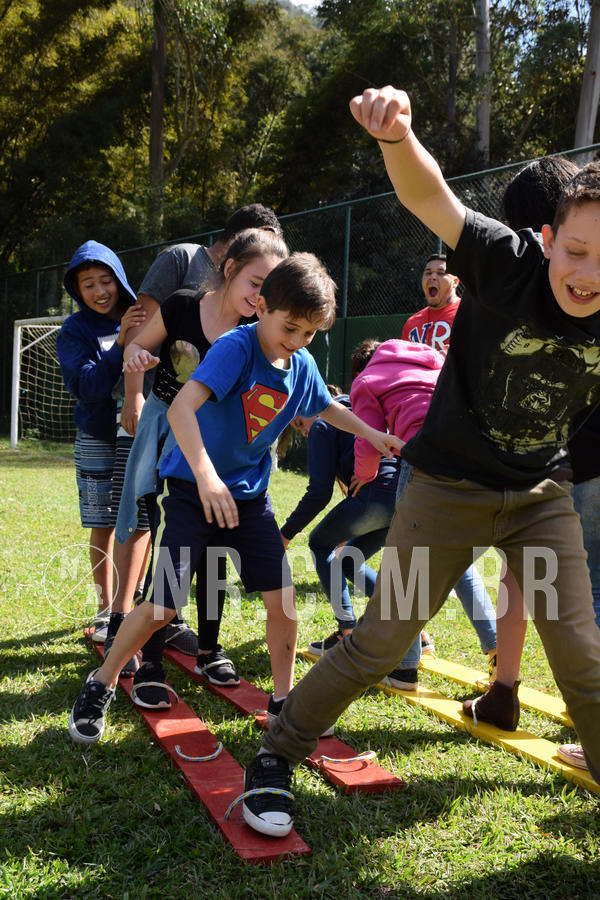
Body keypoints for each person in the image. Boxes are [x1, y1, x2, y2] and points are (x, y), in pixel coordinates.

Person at [240, 85, 600, 839]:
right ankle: (276, 756)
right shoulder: (507, 264)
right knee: (380, 639)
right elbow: (431, 196)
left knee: (581, 660)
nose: (588, 274)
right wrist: (397, 138)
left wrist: (570, 468)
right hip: (444, 489)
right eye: (576, 250)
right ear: (546, 236)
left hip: (537, 498)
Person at [67, 252, 404, 746]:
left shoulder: (300, 362)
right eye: (289, 327)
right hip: (190, 490)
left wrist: (371, 433)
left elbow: (324, 405)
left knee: (283, 601)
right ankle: (100, 684)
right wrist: (205, 478)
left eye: (309, 333)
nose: (296, 341)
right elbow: (182, 410)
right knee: (162, 604)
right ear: (262, 307)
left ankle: (284, 702)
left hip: (248, 499)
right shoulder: (234, 348)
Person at [108, 229, 289, 704]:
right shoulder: (186, 305)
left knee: (217, 547)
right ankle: (142, 651)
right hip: (170, 430)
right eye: (255, 281)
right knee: (163, 534)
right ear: (230, 269)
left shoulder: (259, 332)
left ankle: (207, 648)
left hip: (224, 450)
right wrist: (137, 363)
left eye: (271, 289)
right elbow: (134, 347)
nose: (261, 296)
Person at [348, 338, 497, 690]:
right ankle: (498, 653)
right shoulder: (432, 360)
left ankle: (404, 668)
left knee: (405, 560)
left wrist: (364, 475)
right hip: (477, 457)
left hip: (426, 460)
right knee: (459, 561)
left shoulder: (367, 381)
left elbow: (369, 441)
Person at [57, 241, 146, 631]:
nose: (99, 291)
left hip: (141, 437)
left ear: (119, 279)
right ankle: (104, 608)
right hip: (97, 437)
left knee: (140, 521)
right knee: (104, 524)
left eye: (105, 280)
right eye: (88, 284)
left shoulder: (141, 314)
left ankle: (134, 601)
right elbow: (87, 386)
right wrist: (120, 345)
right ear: (77, 290)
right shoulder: (74, 330)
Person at [401, 253, 460, 354]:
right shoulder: (411, 323)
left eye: (441, 273)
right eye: (428, 273)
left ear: (455, 282)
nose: (432, 277)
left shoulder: (467, 313)